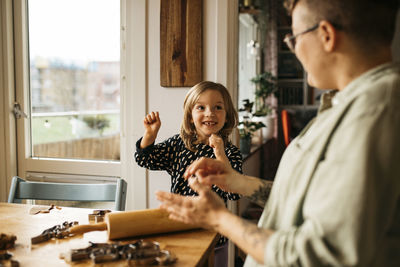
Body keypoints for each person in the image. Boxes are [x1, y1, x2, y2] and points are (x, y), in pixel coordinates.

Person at [156, 0, 400, 266]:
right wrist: (236, 181)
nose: (294, 50)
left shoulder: (374, 112)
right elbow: (310, 197)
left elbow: (322, 254)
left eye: (294, 39)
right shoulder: (351, 104)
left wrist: (219, 219)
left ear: (326, 36)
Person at [134, 81, 243, 267]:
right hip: (179, 230)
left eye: (218, 107)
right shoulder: (178, 145)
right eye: (201, 107)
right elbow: (146, 160)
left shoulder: (230, 152)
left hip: (214, 236)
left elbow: (234, 192)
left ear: (227, 116)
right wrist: (149, 136)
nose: (210, 113)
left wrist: (221, 154)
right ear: (191, 116)